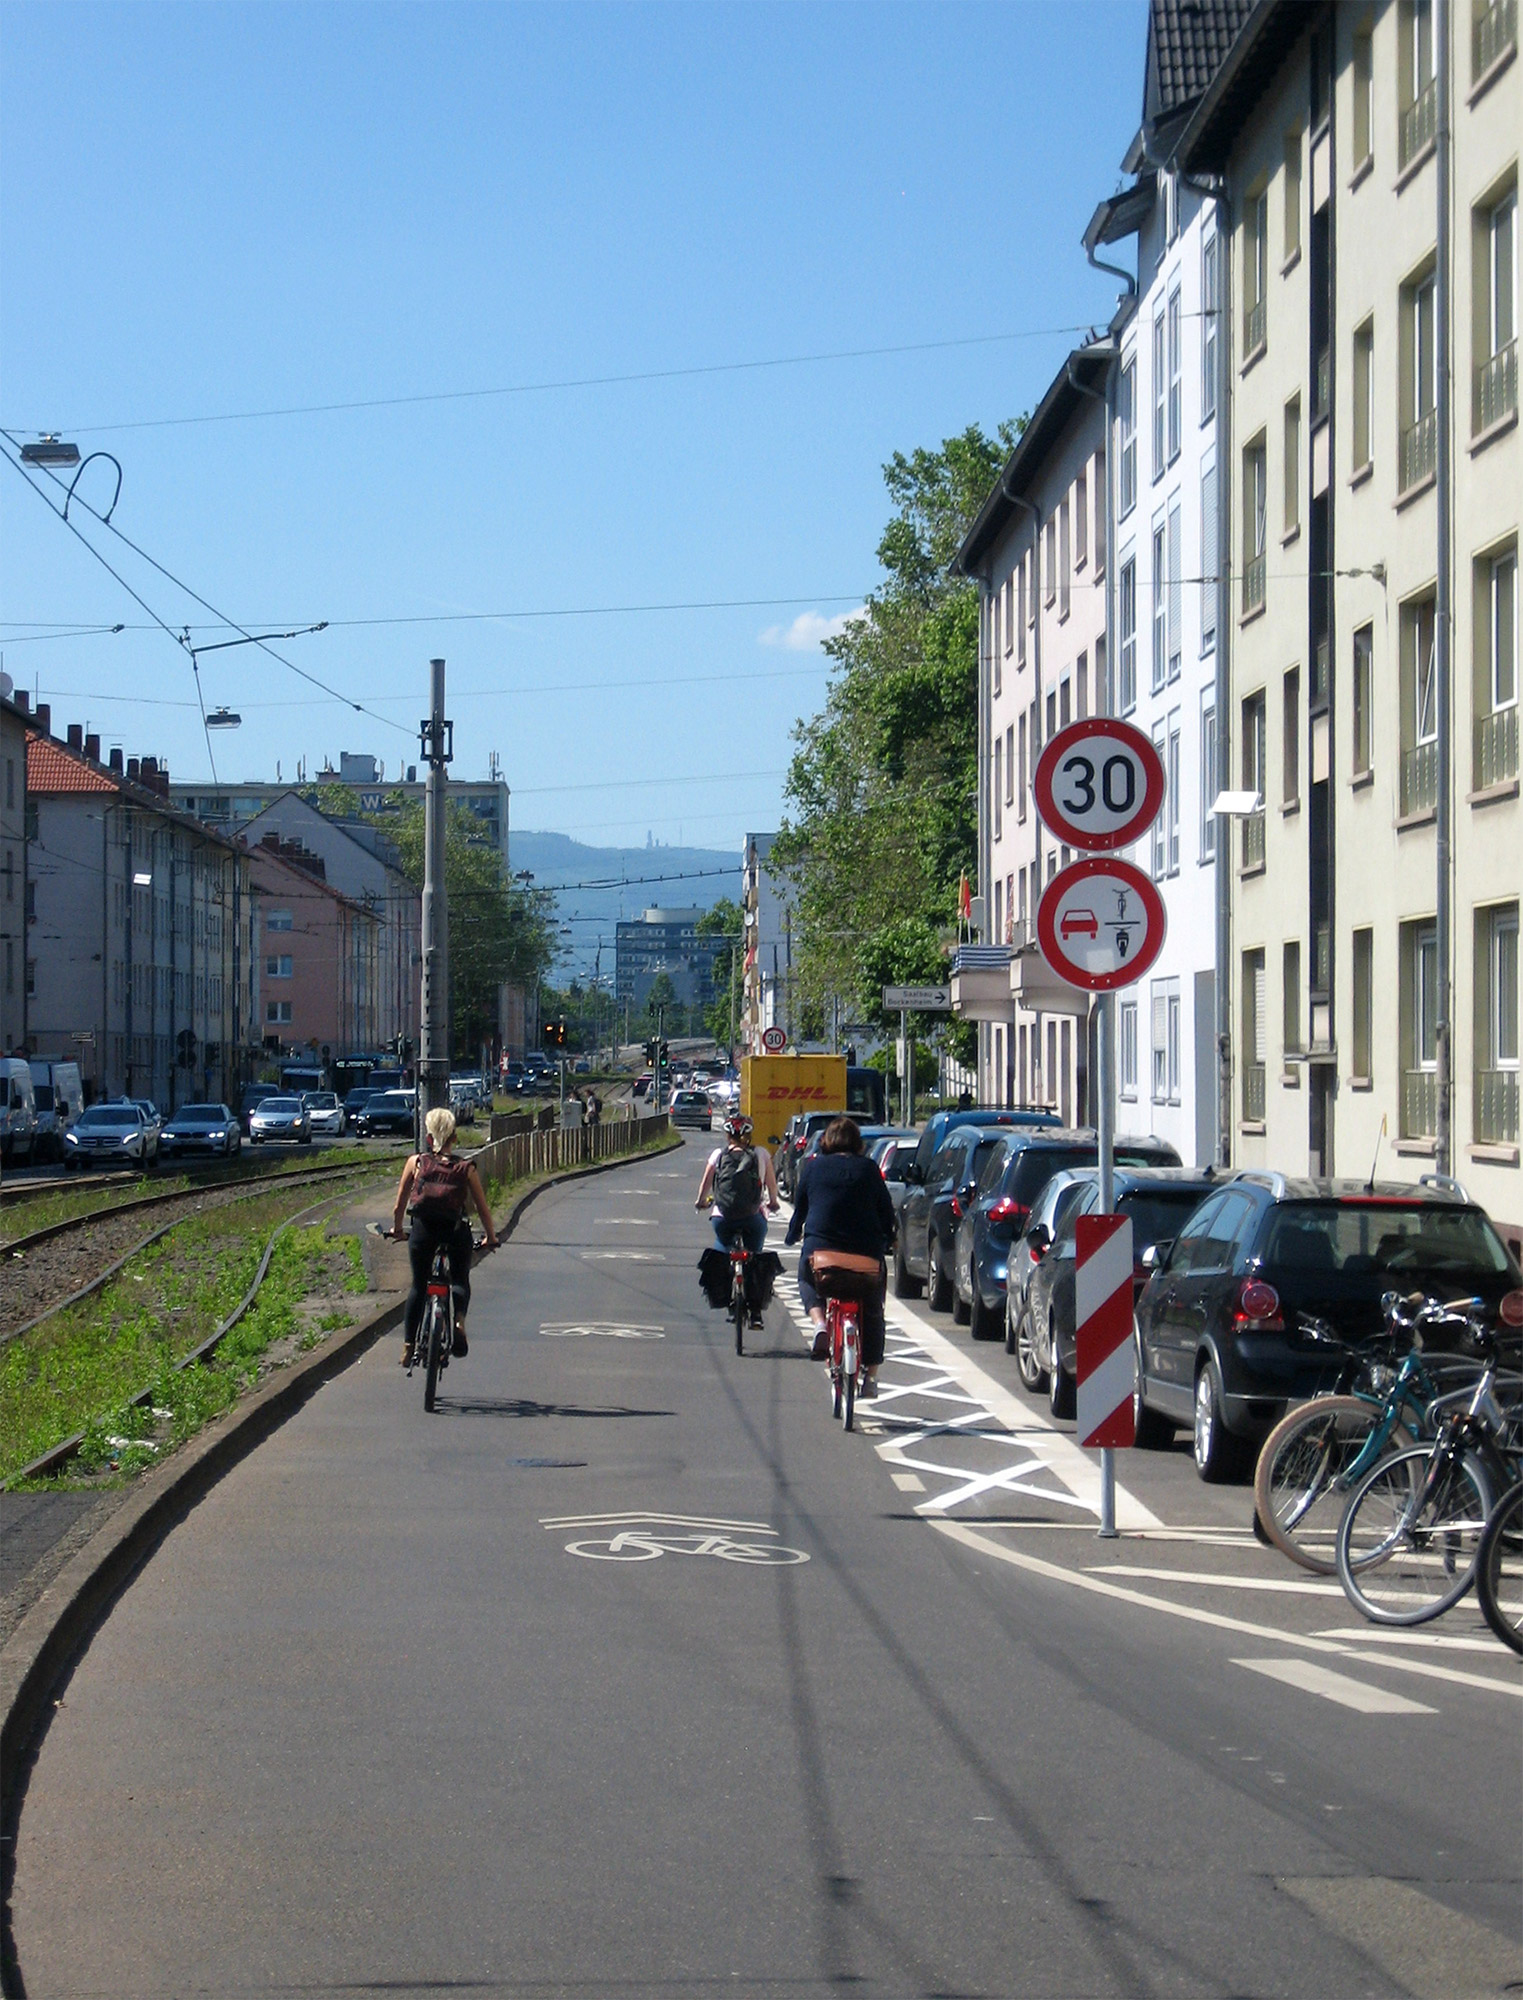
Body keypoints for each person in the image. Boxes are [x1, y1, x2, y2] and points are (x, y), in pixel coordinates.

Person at [785, 1115, 896, 1395]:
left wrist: (793, 1234)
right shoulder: (870, 1169)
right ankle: (871, 1377)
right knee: (873, 1311)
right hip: (865, 1255)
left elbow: (800, 1209)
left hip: (822, 1252)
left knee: (806, 1278)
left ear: (826, 1143)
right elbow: (886, 1211)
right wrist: (888, 1238)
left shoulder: (813, 1168)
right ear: (858, 1144)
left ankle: (820, 1323)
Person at [391, 1106, 498, 1367]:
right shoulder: (466, 1168)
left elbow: (399, 1206)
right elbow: (483, 1210)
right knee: (460, 1277)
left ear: (429, 1139)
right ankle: (459, 1321)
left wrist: (397, 1229)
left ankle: (408, 1347)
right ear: (454, 1138)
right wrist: (491, 1238)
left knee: (419, 1285)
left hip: (423, 1231)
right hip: (454, 1231)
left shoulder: (416, 1163)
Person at [695, 1112, 780, 1327]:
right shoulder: (761, 1154)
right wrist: (773, 1203)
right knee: (756, 1256)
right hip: (753, 1217)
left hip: (723, 1217)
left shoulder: (718, 1155)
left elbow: (705, 1185)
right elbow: (771, 1187)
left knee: (722, 1248)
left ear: (727, 1135)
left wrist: (701, 1202)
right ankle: (757, 1312)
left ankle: (731, 1304)